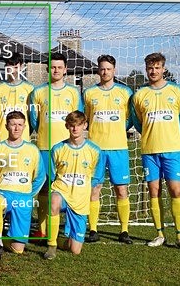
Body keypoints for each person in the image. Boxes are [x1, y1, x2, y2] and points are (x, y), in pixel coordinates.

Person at [130, 52, 180, 251]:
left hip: (173, 149)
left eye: (157, 67)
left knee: (176, 190)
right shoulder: (139, 95)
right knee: (154, 191)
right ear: (146, 69)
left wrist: (171, 135)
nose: (153, 71)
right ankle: (159, 234)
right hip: (150, 151)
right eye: (150, 68)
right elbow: (137, 122)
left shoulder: (177, 91)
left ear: (163, 68)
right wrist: (151, 133)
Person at [28, 52, 83, 238]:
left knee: (68, 186)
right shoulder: (38, 92)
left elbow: (79, 117)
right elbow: (34, 120)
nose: (56, 70)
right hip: (44, 147)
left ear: (65, 69)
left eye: (60, 67)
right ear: (47, 69)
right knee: (45, 187)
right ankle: (42, 229)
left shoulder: (73, 92)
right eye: (53, 67)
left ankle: (68, 228)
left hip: (67, 149)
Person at [82, 54, 134, 244]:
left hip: (118, 148)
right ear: (98, 70)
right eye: (102, 69)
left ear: (114, 70)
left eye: (108, 69)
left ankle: (124, 231)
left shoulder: (125, 92)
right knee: (94, 189)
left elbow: (129, 119)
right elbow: (85, 119)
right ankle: (93, 229)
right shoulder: (89, 94)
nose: (105, 72)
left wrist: (118, 130)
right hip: (95, 149)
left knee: (121, 189)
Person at [44, 111, 102, 259]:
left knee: (75, 250)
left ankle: (62, 240)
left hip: (80, 199)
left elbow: (96, 179)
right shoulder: (57, 149)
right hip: (61, 192)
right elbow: (51, 175)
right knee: (54, 200)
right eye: (71, 126)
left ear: (85, 126)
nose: (75, 129)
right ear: (67, 126)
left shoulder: (95, 150)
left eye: (78, 125)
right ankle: (52, 246)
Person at [0, 111, 44, 259]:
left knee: (18, 249)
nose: (16, 128)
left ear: (25, 126)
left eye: (20, 125)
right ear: (6, 126)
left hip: (24, 197)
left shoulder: (32, 150)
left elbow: (40, 177)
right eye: (13, 124)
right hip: (4, 193)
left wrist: (29, 195)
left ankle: (1, 237)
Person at [0, 52, 34, 143]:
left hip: (23, 138)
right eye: (10, 67)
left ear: (22, 67)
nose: (13, 71)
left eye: (16, 67)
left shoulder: (30, 89)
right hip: (2, 138)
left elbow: (32, 116)